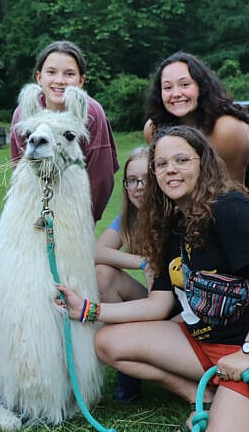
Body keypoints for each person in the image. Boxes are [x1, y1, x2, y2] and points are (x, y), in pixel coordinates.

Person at [60, 125, 249, 432]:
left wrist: (248, 352)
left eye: (181, 161)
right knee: (108, 342)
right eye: (161, 164)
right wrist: (87, 310)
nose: (170, 170)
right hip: (201, 342)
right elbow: (158, 305)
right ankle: (205, 399)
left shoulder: (229, 208)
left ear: (203, 163)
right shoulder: (169, 222)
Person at [9, 40, 119, 222]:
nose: (59, 81)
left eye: (69, 74)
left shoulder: (91, 114)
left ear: (81, 80)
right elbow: (21, 166)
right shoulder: (25, 113)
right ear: (39, 77)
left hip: (76, 209)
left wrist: (85, 220)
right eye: (51, 72)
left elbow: (100, 175)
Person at [93, 147, 150, 402]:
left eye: (146, 179)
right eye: (131, 181)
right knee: (103, 274)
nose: (138, 187)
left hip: (184, 305)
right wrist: (142, 262)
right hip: (156, 297)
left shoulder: (176, 212)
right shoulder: (130, 217)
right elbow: (97, 252)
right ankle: (126, 370)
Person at [144, 51, 249, 184]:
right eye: (167, 87)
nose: (176, 94)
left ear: (201, 87)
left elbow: (234, 189)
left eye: (185, 85)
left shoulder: (228, 129)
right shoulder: (153, 129)